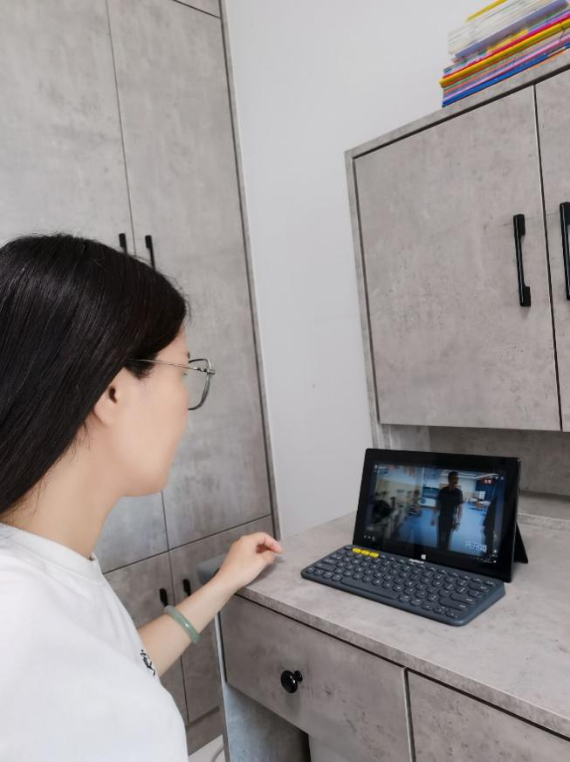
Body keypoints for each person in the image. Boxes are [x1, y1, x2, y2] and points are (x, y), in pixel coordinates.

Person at [0, 233, 283, 762]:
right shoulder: (15, 622)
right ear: (112, 391)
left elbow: (116, 670)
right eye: (185, 371)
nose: (186, 404)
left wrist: (223, 582)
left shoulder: (46, 566)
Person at [431, 471, 463, 552]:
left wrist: (458, 522)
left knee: (447, 539)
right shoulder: (442, 491)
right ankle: (438, 553)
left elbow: (460, 508)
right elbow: (437, 505)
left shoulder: (458, 492)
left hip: (451, 518)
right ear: (449, 479)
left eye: (457, 479)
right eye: (455, 478)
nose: (456, 480)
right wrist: (433, 517)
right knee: (439, 538)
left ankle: (446, 554)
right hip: (441, 517)